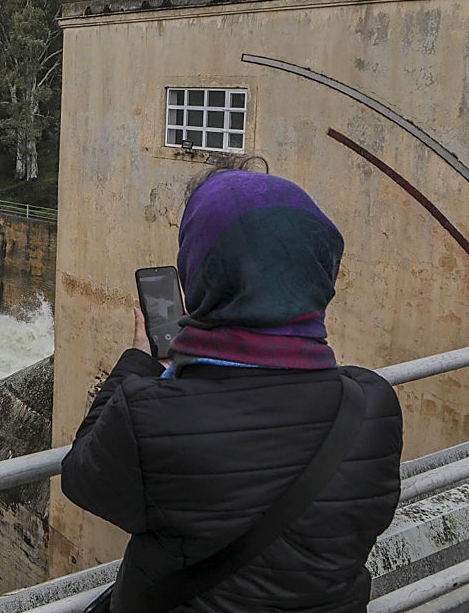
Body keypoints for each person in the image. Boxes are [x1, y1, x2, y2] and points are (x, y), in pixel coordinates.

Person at [60, 161, 403, 612]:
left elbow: (83, 478)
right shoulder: (373, 403)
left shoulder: (152, 416)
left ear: (201, 271)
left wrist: (141, 363)